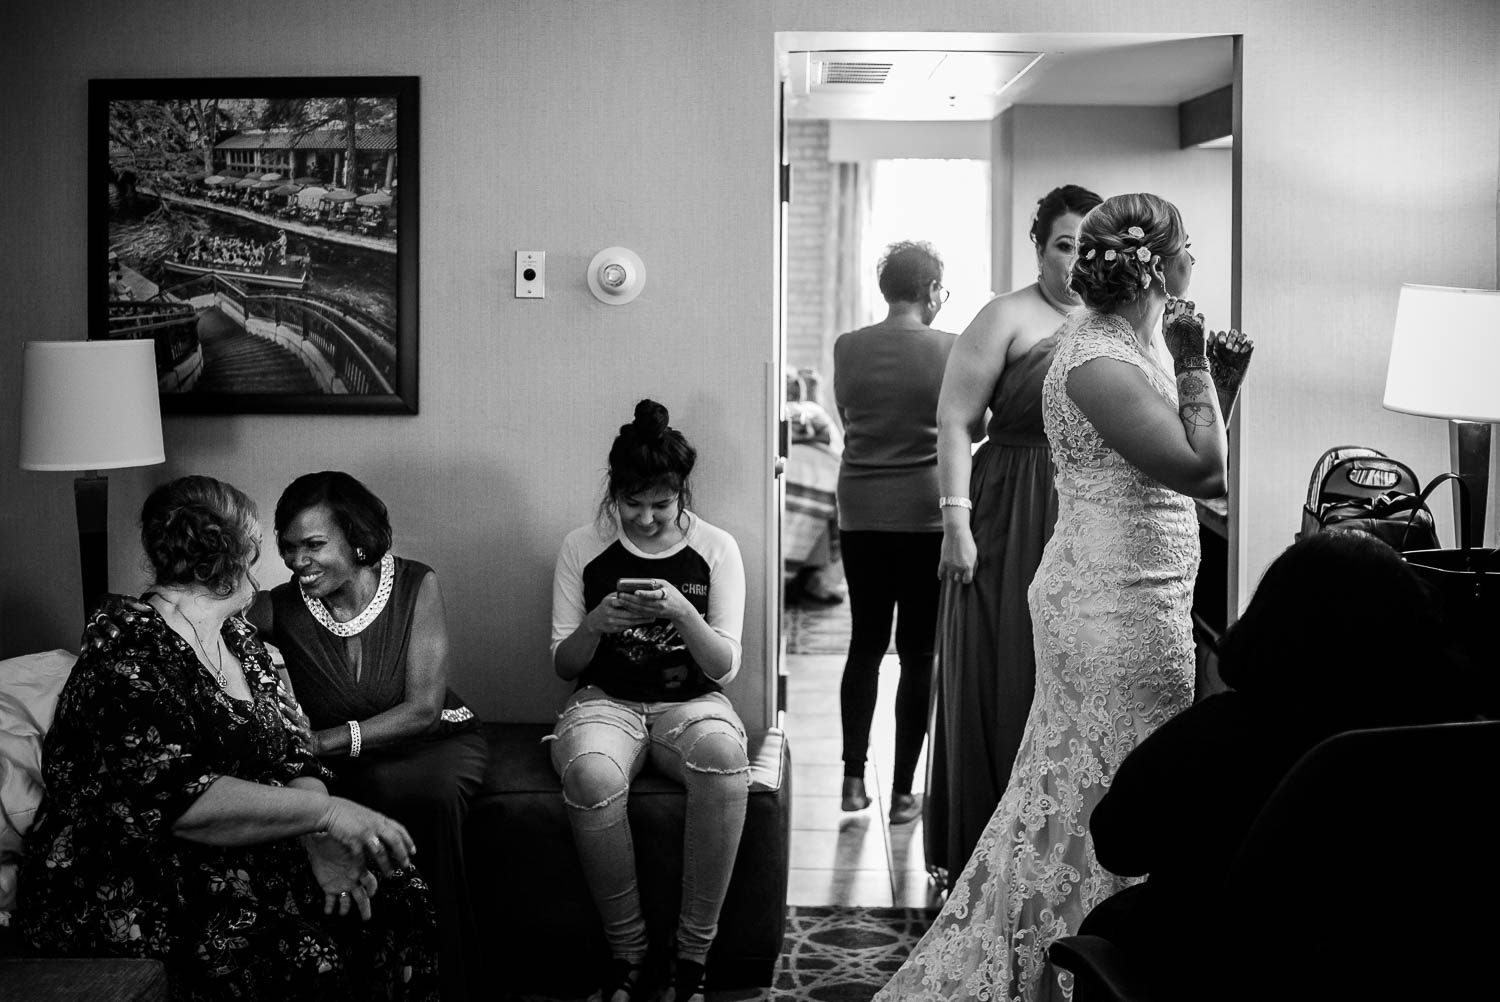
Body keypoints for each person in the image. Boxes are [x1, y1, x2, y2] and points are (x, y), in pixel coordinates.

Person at [874, 192, 1254, 1002]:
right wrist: (1197, 367)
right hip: (1109, 605)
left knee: (1104, 783)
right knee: (1101, 785)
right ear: (1164, 261)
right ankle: (1072, 959)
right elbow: (1205, 469)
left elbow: (1193, 439)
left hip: (1144, 593)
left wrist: (1214, 377)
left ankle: (1106, 950)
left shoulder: (1128, 342)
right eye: (1188, 247)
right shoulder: (1095, 362)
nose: (1195, 262)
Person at [23, 475, 438, 1000]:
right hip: (139, 873)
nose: (283, 558)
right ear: (235, 554)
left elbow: (294, 756)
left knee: (400, 897)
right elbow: (182, 801)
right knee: (309, 959)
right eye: (267, 544)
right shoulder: (125, 652)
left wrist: (318, 843)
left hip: (249, 844)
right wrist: (328, 816)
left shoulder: (239, 636)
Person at [1082, 529, 1481, 993]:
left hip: (1228, 970)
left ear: (1273, 622)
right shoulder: (1453, 743)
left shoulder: (1218, 735)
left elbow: (1119, 844)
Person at [925, 183, 1103, 881]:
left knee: (1073, 672)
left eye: (1090, 246)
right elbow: (955, 421)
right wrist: (954, 523)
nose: (1077, 259)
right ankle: (990, 851)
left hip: (1088, 510)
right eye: (1064, 244)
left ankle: (1065, 845)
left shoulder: (1115, 323)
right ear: (1039, 248)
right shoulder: (1005, 316)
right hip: (1009, 502)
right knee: (1009, 666)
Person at [549, 399, 749, 1002]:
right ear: (614, 493)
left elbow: (725, 667)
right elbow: (563, 665)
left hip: (691, 704)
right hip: (605, 700)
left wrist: (683, 612)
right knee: (588, 775)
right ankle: (628, 955)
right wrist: (597, 623)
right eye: (632, 504)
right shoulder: (582, 547)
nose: (645, 519)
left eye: (661, 505)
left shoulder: (716, 548)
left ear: (681, 493)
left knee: (721, 758)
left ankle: (692, 957)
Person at [832, 240, 957, 825]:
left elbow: (848, 417)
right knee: (917, 652)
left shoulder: (847, 347)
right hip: (926, 516)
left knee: (864, 643)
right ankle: (905, 792)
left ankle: (853, 782)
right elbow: (970, 426)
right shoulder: (950, 349)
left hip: (860, 511)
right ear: (932, 291)